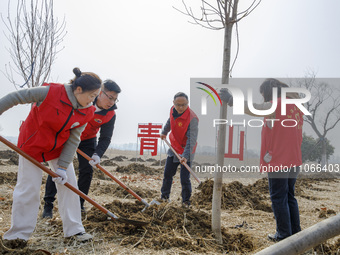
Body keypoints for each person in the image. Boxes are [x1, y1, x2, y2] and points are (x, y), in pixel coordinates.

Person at [0, 68, 102, 246]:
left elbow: (73, 139)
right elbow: (15, 97)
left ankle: (75, 230)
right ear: (78, 90)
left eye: (95, 96)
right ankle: (18, 235)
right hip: (32, 145)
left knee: (69, 184)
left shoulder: (88, 111)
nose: (92, 100)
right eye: (91, 95)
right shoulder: (50, 92)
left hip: (59, 148)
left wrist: (62, 167)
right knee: (28, 188)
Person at [220, 78, 303, 241]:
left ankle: (283, 234)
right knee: (289, 197)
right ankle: (296, 233)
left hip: (279, 159)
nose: (264, 97)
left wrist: (231, 100)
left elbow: (256, 108)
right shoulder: (295, 107)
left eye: (263, 93)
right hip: (294, 159)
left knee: (278, 197)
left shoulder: (277, 104)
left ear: (269, 91)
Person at [43, 79, 121, 218]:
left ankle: (79, 204)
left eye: (115, 99)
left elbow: (105, 137)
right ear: (100, 92)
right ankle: (48, 205)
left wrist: (98, 154)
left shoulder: (110, 114)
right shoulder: (86, 99)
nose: (111, 102)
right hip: (68, 135)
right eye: (110, 97)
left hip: (88, 140)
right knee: (58, 167)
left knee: (86, 170)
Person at [160, 92, 199, 208]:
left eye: (184, 105)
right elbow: (170, 122)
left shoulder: (193, 119)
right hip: (174, 147)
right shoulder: (173, 110)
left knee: (184, 178)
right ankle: (164, 198)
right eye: (178, 105)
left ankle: (186, 202)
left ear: (188, 103)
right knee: (167, 174)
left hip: (187, 149)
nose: (181, 107)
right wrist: (164, 132)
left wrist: (185, 156)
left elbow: (191, 140)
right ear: (174, 103)